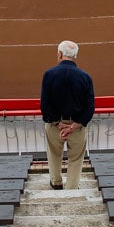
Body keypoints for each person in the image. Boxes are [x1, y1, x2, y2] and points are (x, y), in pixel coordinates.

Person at [40, 40, 95, 190]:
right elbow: (90, 107)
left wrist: (58, 124)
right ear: (75, 56)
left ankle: (56, 182)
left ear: (60, 54)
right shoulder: (85, 77)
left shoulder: (49, 75)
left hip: (54, 125)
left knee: (54, 154)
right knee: (76, 159)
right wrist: (74, 125)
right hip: (77, 127)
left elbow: (45, 105)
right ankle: (71, 188)